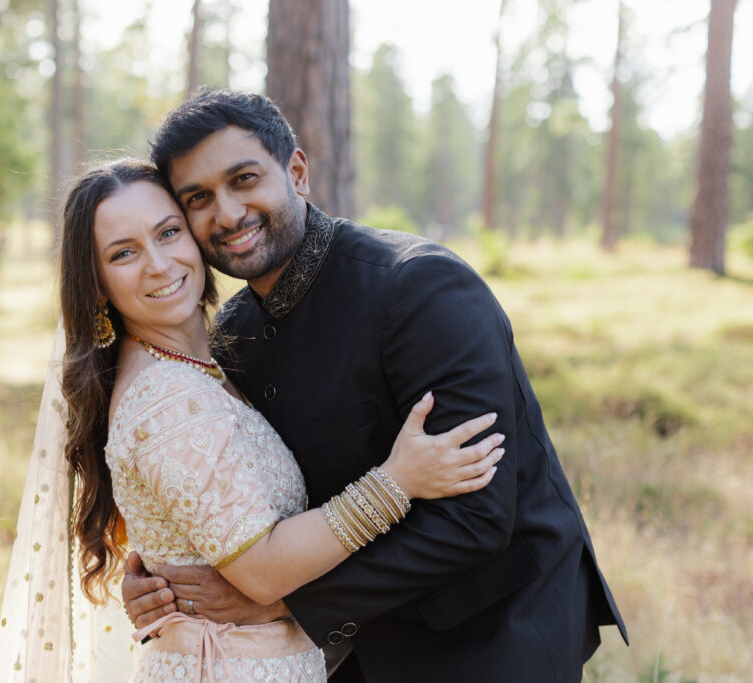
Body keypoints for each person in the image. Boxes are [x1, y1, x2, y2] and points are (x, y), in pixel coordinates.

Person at [122, 90, 629, 682]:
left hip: (494, 632)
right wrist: (163, 579)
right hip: (353, 643)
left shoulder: (422, 290)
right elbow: (251, 497)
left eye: (244, 178)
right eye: (199, 198)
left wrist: (280, 601)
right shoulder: (233, 335)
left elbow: (477, 519)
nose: (229, 213)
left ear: (297, 171)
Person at [0, 159, 506, 682]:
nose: (159, 264)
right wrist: (398, 482)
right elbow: (261, 571)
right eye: (123, 253)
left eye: (168, 233)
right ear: (95, 284)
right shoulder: (167, 398)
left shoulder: (207, 359)